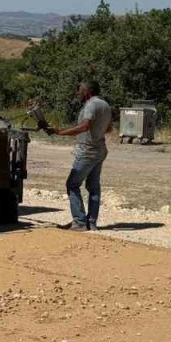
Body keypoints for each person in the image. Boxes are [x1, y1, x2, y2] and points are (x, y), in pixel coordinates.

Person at [49, 81, 113, 231]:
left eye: (80, 90)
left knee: (72, 184)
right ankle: (91, 222)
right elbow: (108, 128)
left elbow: (85, 126)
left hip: (88, 152)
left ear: (87, 91)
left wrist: (59, 132)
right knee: (94, 187)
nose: (78, 93)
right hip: (100, 150)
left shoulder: (91, 105)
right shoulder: (105, 105)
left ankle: (79, 222)